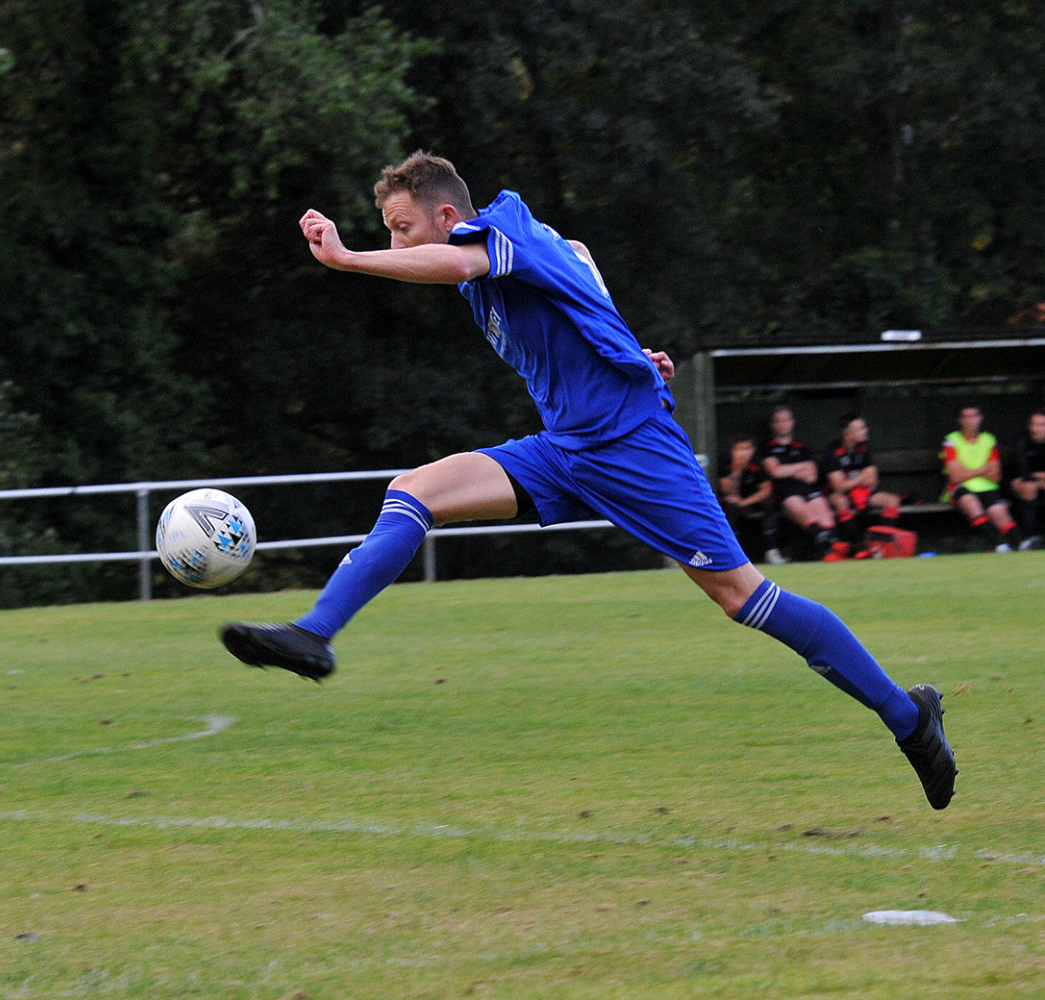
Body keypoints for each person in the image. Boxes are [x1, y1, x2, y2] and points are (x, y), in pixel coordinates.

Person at [220, 151, 955, 810]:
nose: (394, 244)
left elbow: (472, 262)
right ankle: (315, 636)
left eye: (402, 228)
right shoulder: (515, 247)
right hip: (567, 448)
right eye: (384, 233)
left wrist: (348, 261)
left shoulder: (492, 238)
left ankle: (908, 717)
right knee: (415, 490)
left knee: (744, 599)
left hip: (635, 449)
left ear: (449, 216)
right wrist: (631, 349)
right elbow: (578, 256)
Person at [757, 406, 839, 560]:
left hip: (806, 489)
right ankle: (828, 552)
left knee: (825, 515)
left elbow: (812, 476)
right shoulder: (767, 448)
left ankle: (834, 549)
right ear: (773, 425)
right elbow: (775, 472)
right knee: (805, 513)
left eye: (786, 420)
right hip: (785, 491)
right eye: (778, 421)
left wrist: (786, 469)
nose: (783, 424)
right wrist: (801, 467)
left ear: (792, 422)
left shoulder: (801, 448)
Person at [941, 403, 1023, 552]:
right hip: (960, 488)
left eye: (974, 416)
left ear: (980, 418)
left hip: (987, 486)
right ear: (960, 420)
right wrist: (983, 469)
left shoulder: (988, 439)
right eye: (966, 417)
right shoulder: (951, 440)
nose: (970, 420)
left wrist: (967, 472)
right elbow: (955, 477)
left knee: (998, 511)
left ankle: (1021, 545)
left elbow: (995, 475)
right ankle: (998, 545)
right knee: (971, 503)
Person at [822, 414, 902, 556]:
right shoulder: (832, 451)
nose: (865, 431)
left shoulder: (864, 448)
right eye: (860, 429)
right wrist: (860, 479)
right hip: (840, 495)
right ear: (848, 433)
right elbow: (838, 487)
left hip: (864, 493)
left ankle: (881, 544)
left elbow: (872, 480)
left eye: (864, 427)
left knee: (892, 500)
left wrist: (852, 482)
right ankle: (859, 546)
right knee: (840, 502)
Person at [717, 434, 783, 564]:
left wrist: (744, 503)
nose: (743, 453)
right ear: (733, 450)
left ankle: (772, 552)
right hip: (731, 502)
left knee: (768, 505)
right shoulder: (725, 462)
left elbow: (766, 490)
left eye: (747, 449)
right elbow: (726, 490)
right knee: (730, 507)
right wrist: (737, 470)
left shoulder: (758, 463)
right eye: (739, 449)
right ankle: (731, 552)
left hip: (751, 500)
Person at [1007, 409, 1045, 549]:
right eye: (1034, 425)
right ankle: (1028, 539)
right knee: (1029, 487)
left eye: (1041, 425)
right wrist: (1039, 477)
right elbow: (1024, 472)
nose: (1036, 429)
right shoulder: (1022, 440)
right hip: (1017, 483)